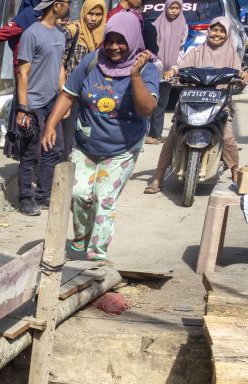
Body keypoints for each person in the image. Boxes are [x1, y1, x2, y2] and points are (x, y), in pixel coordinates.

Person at [41, 12, 158, 260]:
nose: (114, 47)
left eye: (121, 41)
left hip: (121, 149)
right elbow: (68, 93)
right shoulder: (93, 61)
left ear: (133, 39)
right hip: (85, 145)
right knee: (79, 194)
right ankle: (82, 240)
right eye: (110, 40)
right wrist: (51, 125)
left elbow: (147, 109)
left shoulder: (146, 68)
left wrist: (135, 76)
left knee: (102, 200)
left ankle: (96, 256)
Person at [145, 17, 248, 192]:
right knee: (173, 135)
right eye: (214, 30)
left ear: (227, 33)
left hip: (219, 102)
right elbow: (180, 65)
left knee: (227, 137)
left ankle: (235, 173)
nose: (217, 34)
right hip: (192, 100)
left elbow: (239, 72)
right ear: (208, 31)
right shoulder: (197, 51)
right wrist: (172, 70)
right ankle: (159, 176)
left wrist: (243, 76)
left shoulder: (231, 53)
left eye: (222, 31)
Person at [14, 0, 68, 216]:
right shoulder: (31, 34)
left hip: (53, 102)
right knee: (30, 152)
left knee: (54, 149)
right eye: (66, 2)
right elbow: (23, 73)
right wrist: (22, 108)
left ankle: (43, 195)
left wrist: (64, 98)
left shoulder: (59, 34)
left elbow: (60, 66)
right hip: (33, 104)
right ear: (55, 5)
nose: (69, 6)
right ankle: (25, 198)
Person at [61, 0, 106, 158]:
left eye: (98, 14)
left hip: (90, 93)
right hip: (68, 92)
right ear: (83, 13)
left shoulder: (106, 35)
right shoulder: (73, 30)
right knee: (65, 135)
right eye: (90, 14)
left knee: (83, 134)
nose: (94, 18)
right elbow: (58, 58)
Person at [148, 0, 188, 143]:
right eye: (172, 7)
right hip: (154, 67)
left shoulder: (183, 26)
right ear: (166, 8)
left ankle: (156, 134)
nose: (174, 11)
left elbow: (181, 48)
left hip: (170, 71)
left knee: (162, 103)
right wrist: (156, 64)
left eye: (177, 8)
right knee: (149, 100)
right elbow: (151, 46)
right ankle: (142, 135)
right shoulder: (156, 24)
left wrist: (175, 67)